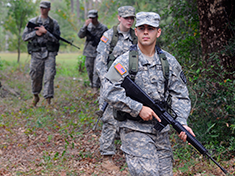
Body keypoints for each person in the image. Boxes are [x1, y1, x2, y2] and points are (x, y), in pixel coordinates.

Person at [102, 12, 195, 175]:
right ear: (136, 31)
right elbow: (109, 91)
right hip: (134, 130)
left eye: (150, 28)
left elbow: (180, 94)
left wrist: (182, 122)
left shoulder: (169, 62)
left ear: (158, 32)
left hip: (161, 133)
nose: (146, 32)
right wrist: (138, 108)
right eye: (142, 28)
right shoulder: (123, 62)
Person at [95, 6, 137, 171]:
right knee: (110, 120)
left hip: (131, 87)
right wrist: (106, 83)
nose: (129, 21)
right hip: (111, 84)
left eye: (131, 18)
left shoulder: (136, 36)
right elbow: (100, 62)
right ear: (119, 18)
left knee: (131, 119)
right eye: (126, 18)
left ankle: (130, 154)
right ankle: (107, 157)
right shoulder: (109, 36)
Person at [22, 1, 60, 107]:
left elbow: (57, 40)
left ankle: (48, 101)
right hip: (36, 52)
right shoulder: (33, 21)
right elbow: (24, 37)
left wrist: (46, 33)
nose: (42, 9)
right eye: (41, 7)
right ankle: (35, 95)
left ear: (49, 9)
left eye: (45, 8)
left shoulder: (54, 23)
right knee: (35, 75)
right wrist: (35, 33)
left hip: (49, 53)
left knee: (49, 76)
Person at [77, 10, 108, 92]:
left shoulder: (103, 28)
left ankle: (95, 87)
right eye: (90, 18)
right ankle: (92, 84)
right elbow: (80, 35)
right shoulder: (87, 27)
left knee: (96, 71)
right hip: (89, 52)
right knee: (89, 70)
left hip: (99, 52)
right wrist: (84, 26)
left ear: (97, 17)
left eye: (93, 18)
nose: (91, 20)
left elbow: (107, 40)